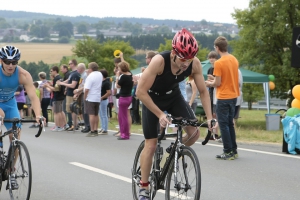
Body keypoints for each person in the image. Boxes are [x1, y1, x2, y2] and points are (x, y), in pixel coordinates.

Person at [135, 28, 213, 199]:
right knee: (152, 144)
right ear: (173, 53)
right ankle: (144, 186)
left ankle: (174, 151)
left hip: (173, 97)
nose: (186, 63)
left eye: (190, 59)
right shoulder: (159, 61)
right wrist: (160, 115)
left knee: (194, 134)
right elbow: (140, 92)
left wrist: (210, 118)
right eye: (183, 58)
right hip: (151, 98)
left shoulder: (195, 64)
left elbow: (203, 92)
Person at [0, 45, 43, 189]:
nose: (11, 65)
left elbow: (33, 97)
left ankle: (11, 172)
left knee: (16, 136)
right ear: (1, 61)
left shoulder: (23, 75)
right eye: (7, 61)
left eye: (14, 62)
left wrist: (38, 115)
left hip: (10, 104)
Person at [205, 36, 240, 160]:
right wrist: (214, 80)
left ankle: (227, 151)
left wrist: (209, 83)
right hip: (233, 95)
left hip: (223, 97)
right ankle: (234, 150)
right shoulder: (234, 59)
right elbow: (227, 79)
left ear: (217, 48)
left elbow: (218, 83)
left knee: (224, 125)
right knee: (230, 124)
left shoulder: (218, 63)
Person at [57, 59, 80, 131]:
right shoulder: (72, 73)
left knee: (71, 109)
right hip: (69, 93)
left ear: (73, 64)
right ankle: (73, 124)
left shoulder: (76, 73)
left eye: (70, 64)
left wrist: (63, 84)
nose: (69, 65)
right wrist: (62, 83)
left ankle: (74, 124)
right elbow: (68, 80)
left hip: (72, 93)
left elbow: (73, 85)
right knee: (69, 110)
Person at [115, 57, 133, 140]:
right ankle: (125, 132)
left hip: (123, 98)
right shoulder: (130, 75)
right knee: (124, 115)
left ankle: (124, 134)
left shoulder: (123, 77)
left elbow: (118, 85)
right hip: (129, 96)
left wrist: (117, 77)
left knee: (123, 117)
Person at [44, 66, 67, 131]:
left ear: (55, 71)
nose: (51, 73)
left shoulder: (56, 78)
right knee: (60, 111)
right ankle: (64, 124)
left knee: (56, 112)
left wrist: (47, 86)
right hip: (61, 96)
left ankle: (58, 126)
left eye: (51, 71)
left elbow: (55, 89)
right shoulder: (60, 78)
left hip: (57, 97)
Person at [84, 62, 102, 137]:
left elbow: (87, 89)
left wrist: (85, 97)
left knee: (91, 114)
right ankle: (96, 129)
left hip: (91, 97)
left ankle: (92, 130)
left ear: (91, 69)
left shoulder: (90, 76)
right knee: (95, 114)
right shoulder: (100, 74)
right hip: (97, 96)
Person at [98, 69, 111, 135]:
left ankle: (105, 129)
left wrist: (102, 97)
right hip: (100, 100)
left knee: (104, 115)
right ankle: (102, 127)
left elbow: (108, 92)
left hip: (104, 100)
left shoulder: (106, 82)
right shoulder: (101, 82)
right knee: (101, 115)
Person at [60, 64, 71, 129]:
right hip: (67, 93)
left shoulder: (67, 74)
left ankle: (68, 123)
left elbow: (68, 83)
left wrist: (65, 89)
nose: (61, 70)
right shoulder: (66, 74)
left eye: (62, 69)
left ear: (65, 69)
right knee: (66, 109)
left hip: (67, 93)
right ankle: (68, 123)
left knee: (66, 109)